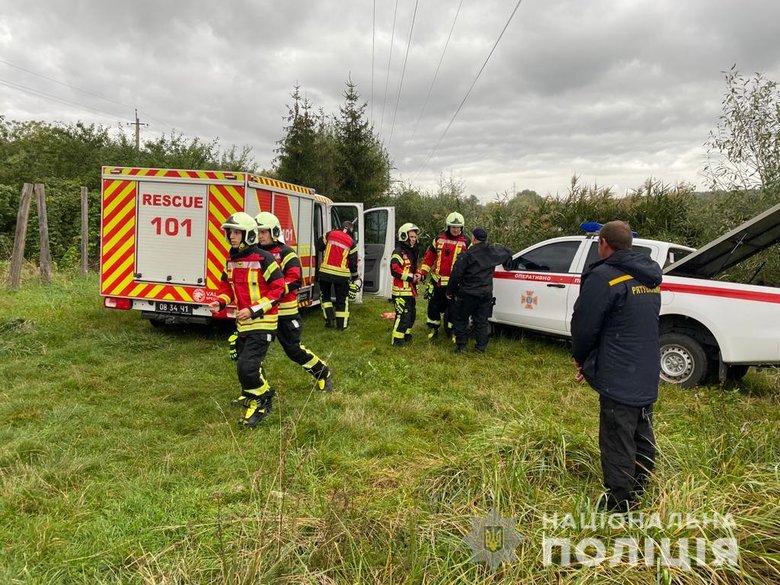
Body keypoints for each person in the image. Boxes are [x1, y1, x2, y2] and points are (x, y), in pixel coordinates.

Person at [570, 220, 662, 512]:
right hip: (646, 367)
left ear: (604, 244)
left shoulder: (604, 277)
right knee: (641, 428)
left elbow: (584, 326)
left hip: (620, 372)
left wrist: (582, 359)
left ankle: (619, 502)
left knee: (616, 435)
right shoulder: (649, 276)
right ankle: (641, 485)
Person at [208, 212, 285, 429]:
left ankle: (262, 401)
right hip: (243, 324)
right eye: (230, 232)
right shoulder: (231, 260)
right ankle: (254, 394)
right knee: (246, 365)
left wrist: (253, 310)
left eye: (236, 232)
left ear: (248, 235)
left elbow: (278, 290)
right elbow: (226, 288)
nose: (231, 236)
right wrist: (220, 303)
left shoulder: (265, 259)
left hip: (263, 323)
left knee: (247, 367)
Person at [255, 212, 334, 392]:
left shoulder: (287, 253)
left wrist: (275, 292)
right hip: (262, 313)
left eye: (264, 232)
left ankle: (322, 372)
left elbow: (295, 280)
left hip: (285, 312)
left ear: (274, 232)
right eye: (258, 232)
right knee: (252, 354)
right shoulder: (255, 254)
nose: (260, 236)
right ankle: (256, 392)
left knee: (294, 350)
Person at [446, 226, 512, 353]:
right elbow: (508, 251)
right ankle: (481, 348)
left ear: (474, 238)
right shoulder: (493, 252)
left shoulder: (467, 255)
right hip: (485, 293)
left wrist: (450, 291)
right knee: (481, 321)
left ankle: (461, 347)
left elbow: (456, 275)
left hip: (468, 294)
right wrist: (508, 264)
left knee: (460, 319)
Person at [420, 212, 470, 339]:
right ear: (447, 227)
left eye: (458, 227)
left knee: (455, 309)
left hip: (455, 284)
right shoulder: (438, 239)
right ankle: (433, 329)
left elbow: (470, 263)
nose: (456, 229)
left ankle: (453, 332)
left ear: (462, 228)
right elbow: (429, 258)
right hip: (437, 281)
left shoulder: (466, 243)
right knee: (434, 306)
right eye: (453, 227)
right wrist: (423, 273)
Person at [316, 220, 359, 330]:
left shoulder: (329, 234)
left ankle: (329, 320)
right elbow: (353, 263)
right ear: (351, 231)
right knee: (341, 300)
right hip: (341, 276)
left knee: (325, 297)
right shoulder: (352, 243)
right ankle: (342, 326)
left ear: (340, 227)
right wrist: (355, 277)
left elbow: (319, 246)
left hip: (325, 273)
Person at [390, 223, 421, 347]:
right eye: (411, 236)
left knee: (411, 315)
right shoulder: (398, 251)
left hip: (410, 290)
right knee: (403, 315)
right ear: (404, 236)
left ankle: (406, 335)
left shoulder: (412, 251)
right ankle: (397, 340)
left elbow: (414, 267)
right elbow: (394, 270)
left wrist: (418, 275)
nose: (414, 239)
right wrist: (411, 277)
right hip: (400, 291)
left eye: (414, 237)